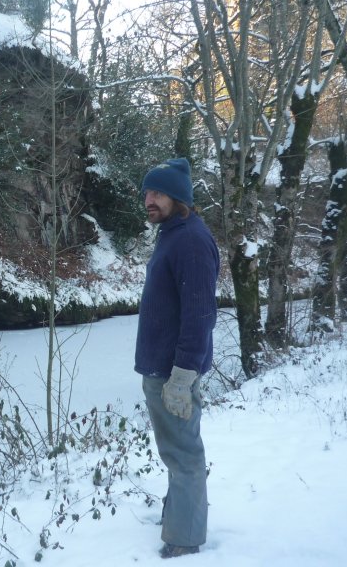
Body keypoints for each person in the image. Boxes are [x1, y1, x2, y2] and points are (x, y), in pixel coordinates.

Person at [134, 157, 220, 559]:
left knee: (184, 453)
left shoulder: (191, 241)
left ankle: (184, 537)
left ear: (178, 197)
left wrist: (183, 376)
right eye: (147, 192)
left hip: (173, 371)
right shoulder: (173, 233)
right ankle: (180, 515)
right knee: (175, 449)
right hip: (162, 367)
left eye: (158, 193)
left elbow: (200, 314)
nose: (149, 200)